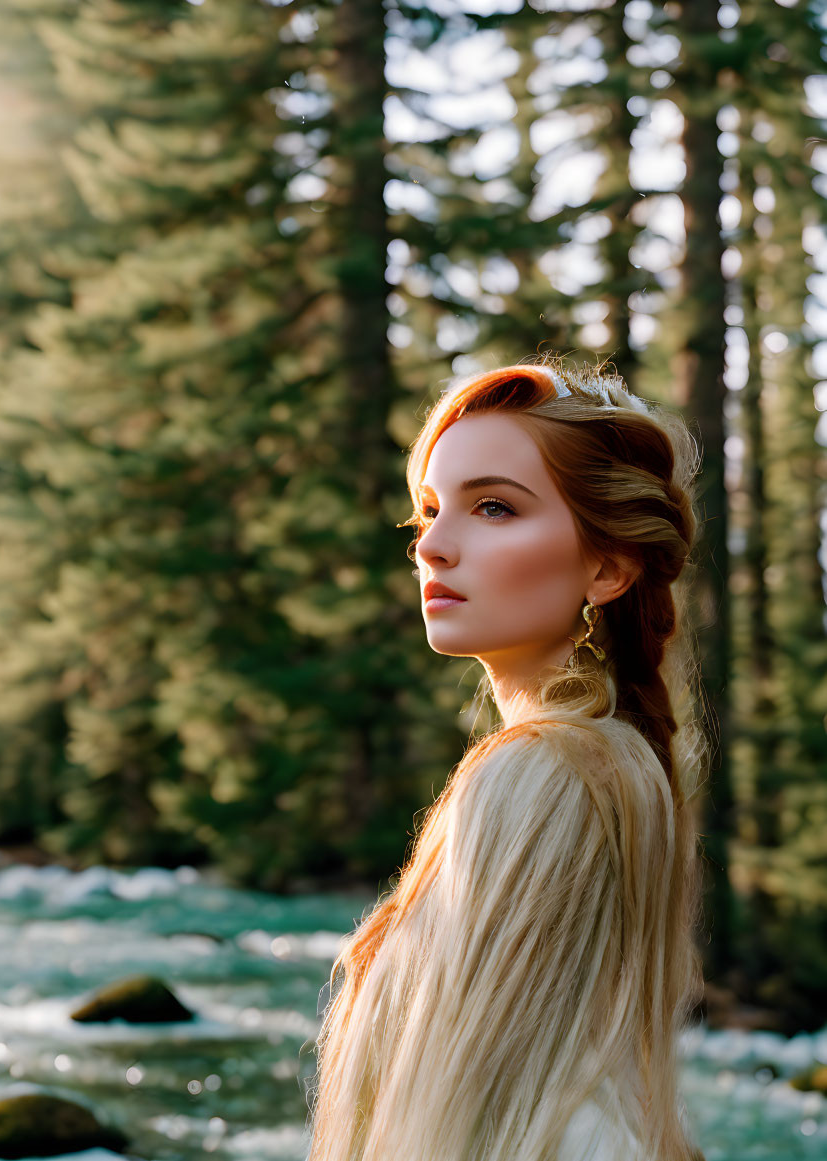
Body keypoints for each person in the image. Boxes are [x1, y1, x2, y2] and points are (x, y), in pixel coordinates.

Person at [305, 359, 710, 1161]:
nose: (434, 546)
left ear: (606, 566)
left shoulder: (544, 770)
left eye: (493, 506)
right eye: (428, 510)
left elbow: (472, 1113)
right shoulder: (617, 759)